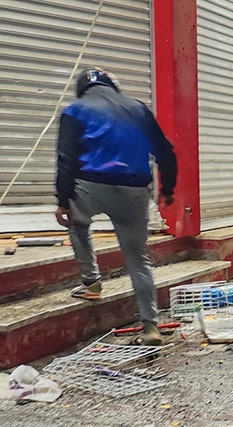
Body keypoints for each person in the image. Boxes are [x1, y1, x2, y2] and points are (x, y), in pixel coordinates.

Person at [55, 67, 177, 346]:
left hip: (90, 187)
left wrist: (63, 202)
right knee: (138, 259)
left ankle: (91, 282)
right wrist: (168, 190)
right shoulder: (137, 108)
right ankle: (151, 326)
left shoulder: (75, 110)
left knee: (77, 223)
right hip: (133, 192)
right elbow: (165, 152)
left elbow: (66, 158)